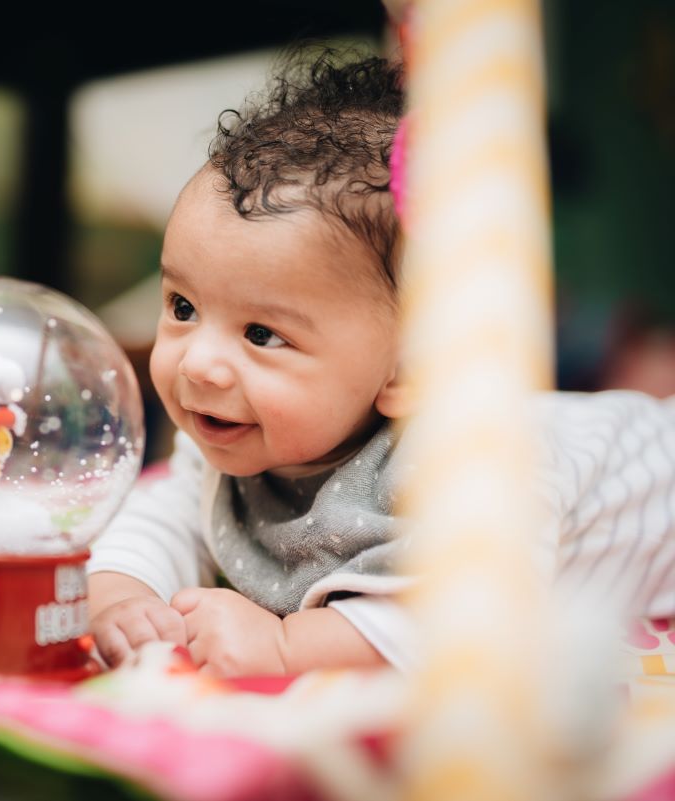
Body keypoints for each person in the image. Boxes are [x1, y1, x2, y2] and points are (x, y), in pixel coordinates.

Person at [87, 51, 675, 678]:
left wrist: (288, 648)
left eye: (262, 333)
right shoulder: (218, 451)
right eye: (183, 306)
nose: (199, 363)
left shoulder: (479, 461)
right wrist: (125, 598)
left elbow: (476, 613)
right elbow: (161, 520)